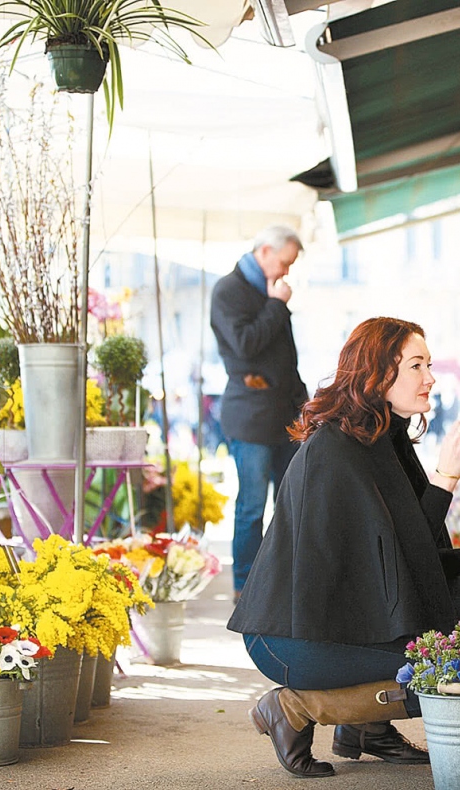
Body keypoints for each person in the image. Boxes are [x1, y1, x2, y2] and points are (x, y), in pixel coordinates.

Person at [228, 316, 460, 779]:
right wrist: (444, 480)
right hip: (293, 638)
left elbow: (399, 563)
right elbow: (390, 569)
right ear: (378, 374)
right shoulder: (335, 450)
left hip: (344, 620)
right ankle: (295, 708)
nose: (429, 378)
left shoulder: (384, 435)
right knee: (447, 655)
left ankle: (366, 726)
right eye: (415, 366)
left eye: (429, 364)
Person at [210, 226, 309, 602]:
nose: (286, 272)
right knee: (251, 505)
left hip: (285, 414)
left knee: (290, 502)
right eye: (284, 263)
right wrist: (276, 305)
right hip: (250, 417)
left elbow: (285, 360)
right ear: (265, 251)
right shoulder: (229, 291)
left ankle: (284, 579)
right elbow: (246, 345)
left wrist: (306, 407)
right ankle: (246, 584)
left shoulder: (270, 291)